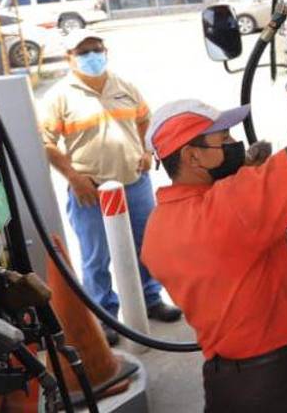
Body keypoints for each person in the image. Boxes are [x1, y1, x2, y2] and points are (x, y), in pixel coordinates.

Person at [141, 7, 287, 413]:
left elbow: (223, 248)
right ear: (193, 158)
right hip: (281, 383)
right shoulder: (233, 206)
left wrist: (244, 172)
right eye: (222, 140)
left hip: (226, 384)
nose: (233, 144)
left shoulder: (159, 228)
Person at [40, 29, 183, 346]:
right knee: (96, 256)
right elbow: (46, 142)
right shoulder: (60, 96)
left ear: (105, 51)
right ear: (70, 58)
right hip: (91, 190)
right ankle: (104, 314)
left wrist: (147, 151)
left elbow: (146, 120)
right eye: (83, 52)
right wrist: (74, 177)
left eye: (96, 49)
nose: (92, 56)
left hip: (135, 183)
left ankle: (151, 299)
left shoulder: (124, 86)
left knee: (147, 245)